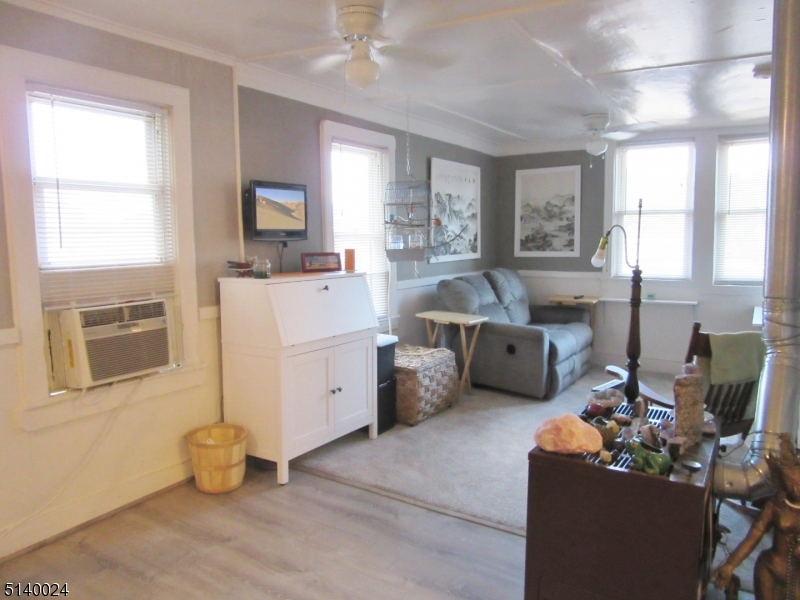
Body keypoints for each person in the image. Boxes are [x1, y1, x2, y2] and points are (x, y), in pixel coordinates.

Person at [713, 433, 800, 599]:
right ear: (781, 482)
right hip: (770, 567)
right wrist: (730, 565)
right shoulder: (775, 506)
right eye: (790, 484)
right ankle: (732, 590)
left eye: (799, 483)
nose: (796, 489)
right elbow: (754, 536)